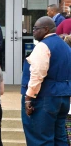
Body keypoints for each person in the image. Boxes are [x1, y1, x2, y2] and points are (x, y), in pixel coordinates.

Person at [21, 16, 71, 145]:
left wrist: (28, 98)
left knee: (40, 139)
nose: (33, 31)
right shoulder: (65, 47)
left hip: (44, 98)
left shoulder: (43, 46)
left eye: (36, 29)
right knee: (60, 138)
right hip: (63, 97)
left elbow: (37, 74)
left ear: (46, 29)